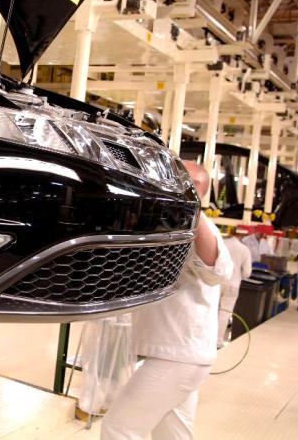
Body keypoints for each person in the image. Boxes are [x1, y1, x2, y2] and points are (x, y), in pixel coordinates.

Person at [99, 162, 232, 440]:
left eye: (181, 179)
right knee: (172, 435)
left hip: (177, 355)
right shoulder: (167, 227)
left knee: (119, 427)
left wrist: (191, 206)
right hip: (177, 354)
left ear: (198, 189)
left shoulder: (200, 228)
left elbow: (218, 271)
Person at [218, 227, 253, 347]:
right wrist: (238, 274)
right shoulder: (244, 249)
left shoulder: (222, 243)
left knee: (211, 310)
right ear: (243, 236)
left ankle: (204, 339)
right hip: (233, 284)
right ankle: (217, 341)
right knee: (225, 312)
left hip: (217, 281)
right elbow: (247, 273)